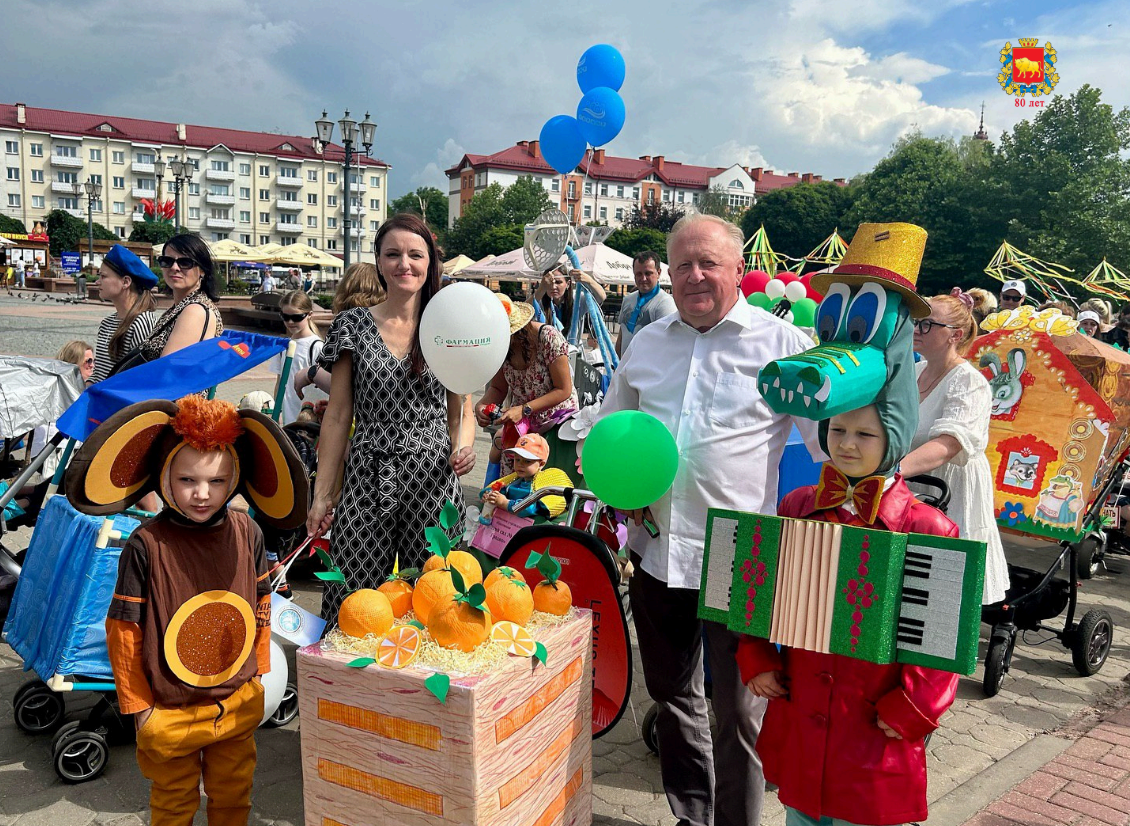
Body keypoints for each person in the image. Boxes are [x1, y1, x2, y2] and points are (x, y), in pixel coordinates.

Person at [596, 214, 823, 826]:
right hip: (657, 546)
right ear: (667, 273)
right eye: (683, 265)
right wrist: (618, 494)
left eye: (709, 263)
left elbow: (831, 447)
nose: (695, 276)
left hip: (741, 553)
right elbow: (615, 430)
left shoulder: (784, 348)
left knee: (740, 710)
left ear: (738, 268)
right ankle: (692, 817)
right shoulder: (648, 343)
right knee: (673, 699)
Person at [65, 395, 304, 826]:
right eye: (187, 479)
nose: (201, 494)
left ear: (233, 478)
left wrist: (261, 671)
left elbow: (261, 603)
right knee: (173, 805)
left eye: (216, 481)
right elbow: (124, 631)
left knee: (234, 798)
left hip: (235, 701)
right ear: (164, 476)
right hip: (169, 711)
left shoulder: (246, 531)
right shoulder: (146, 545)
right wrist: (139, 707)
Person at [740, 404, 960, 826]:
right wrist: (758, 656)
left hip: (874, 719)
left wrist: (915, 706)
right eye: (837, 429)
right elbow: (762, 590)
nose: (846, 443)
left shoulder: (929, 528)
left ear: (894, 439)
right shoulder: (798, 505)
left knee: (863, 812)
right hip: (802, 700)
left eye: (866, 434)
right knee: (801, 813)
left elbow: (939, 635)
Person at [305, 213, 476, 621]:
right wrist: (323, 493)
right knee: (354, 595)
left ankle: (422, 684)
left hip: (432, 475)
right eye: (393, 254)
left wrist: (465, 447)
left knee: (436, 597)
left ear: (429, 263)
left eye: (415, 255)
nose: (405, 264)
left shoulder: (447, 325)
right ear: (379, 262)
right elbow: (337, 416)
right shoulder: (353, 324)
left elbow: (462, 410)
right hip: (367, 472)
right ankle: (347, 683)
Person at [901, 290, 1010, 604]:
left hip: (949, 489)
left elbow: (948, 444)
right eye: (916, 322)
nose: (916, 330)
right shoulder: (914, 371)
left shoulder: (969, 381)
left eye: (927, 325)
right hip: (910, 486)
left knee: (945, 593)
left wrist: (893, 471)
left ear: (956, 335)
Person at [473, 294, 578, 486]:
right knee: (514, 484)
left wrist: (524, 409)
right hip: (521, 427)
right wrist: (482, 405)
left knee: (545, 486)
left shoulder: (548, 337)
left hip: (556, 424)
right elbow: (498, 387)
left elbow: (563, 389)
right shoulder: (500, 348)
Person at [294, 262, 384, 399]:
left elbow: (343, 387)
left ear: (345, 288)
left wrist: (312, 373)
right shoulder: (389, 323)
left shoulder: (346, 324)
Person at [139, 234, 222, 360]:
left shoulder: (195, 311)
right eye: (167, 261)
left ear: (202, 270)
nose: (174, 268)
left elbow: (167, 369)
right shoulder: (180, 307)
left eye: (185, 262)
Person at [90, 245, 158, 383]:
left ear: (125, 282)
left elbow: (141, 379)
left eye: (103, 276)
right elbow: (99, 373)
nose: (97, 282)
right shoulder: (106, 323)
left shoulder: (142, 322)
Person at [270, 289, 325, 424]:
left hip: (309, 418)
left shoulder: (317, 346)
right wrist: (277, 413)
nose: (290, 322)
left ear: (309, 315)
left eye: (296, 317)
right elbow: (279, 382)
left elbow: (324, 387)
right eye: (285, 316)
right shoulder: (283, 346)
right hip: (287, 417)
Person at [478, 433, 552, 524]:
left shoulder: (540, 485)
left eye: (527, 461)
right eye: (517, 460)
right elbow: (501, 489)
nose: (520, 464)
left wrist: (505, 503)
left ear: (541, 464)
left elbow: (530, 508)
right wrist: (489, 495)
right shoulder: (515, 480)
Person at [616, 251, 676, 356]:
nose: (643, 279)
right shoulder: (628, 300)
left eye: (648, 273)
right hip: (625, 368)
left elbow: (668, 344)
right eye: (638, 274)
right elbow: (622, 335)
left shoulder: (665, 304)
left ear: (659, 272)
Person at [533, 262, 606, 338]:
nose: (553, 286)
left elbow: (601, 297)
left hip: (572, 348)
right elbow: (522, 312)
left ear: (568, 284)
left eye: (558, 282)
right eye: (549, 282)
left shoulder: (577, 299)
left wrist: (589, 280)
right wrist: (541, 289)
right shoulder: (539, 302)